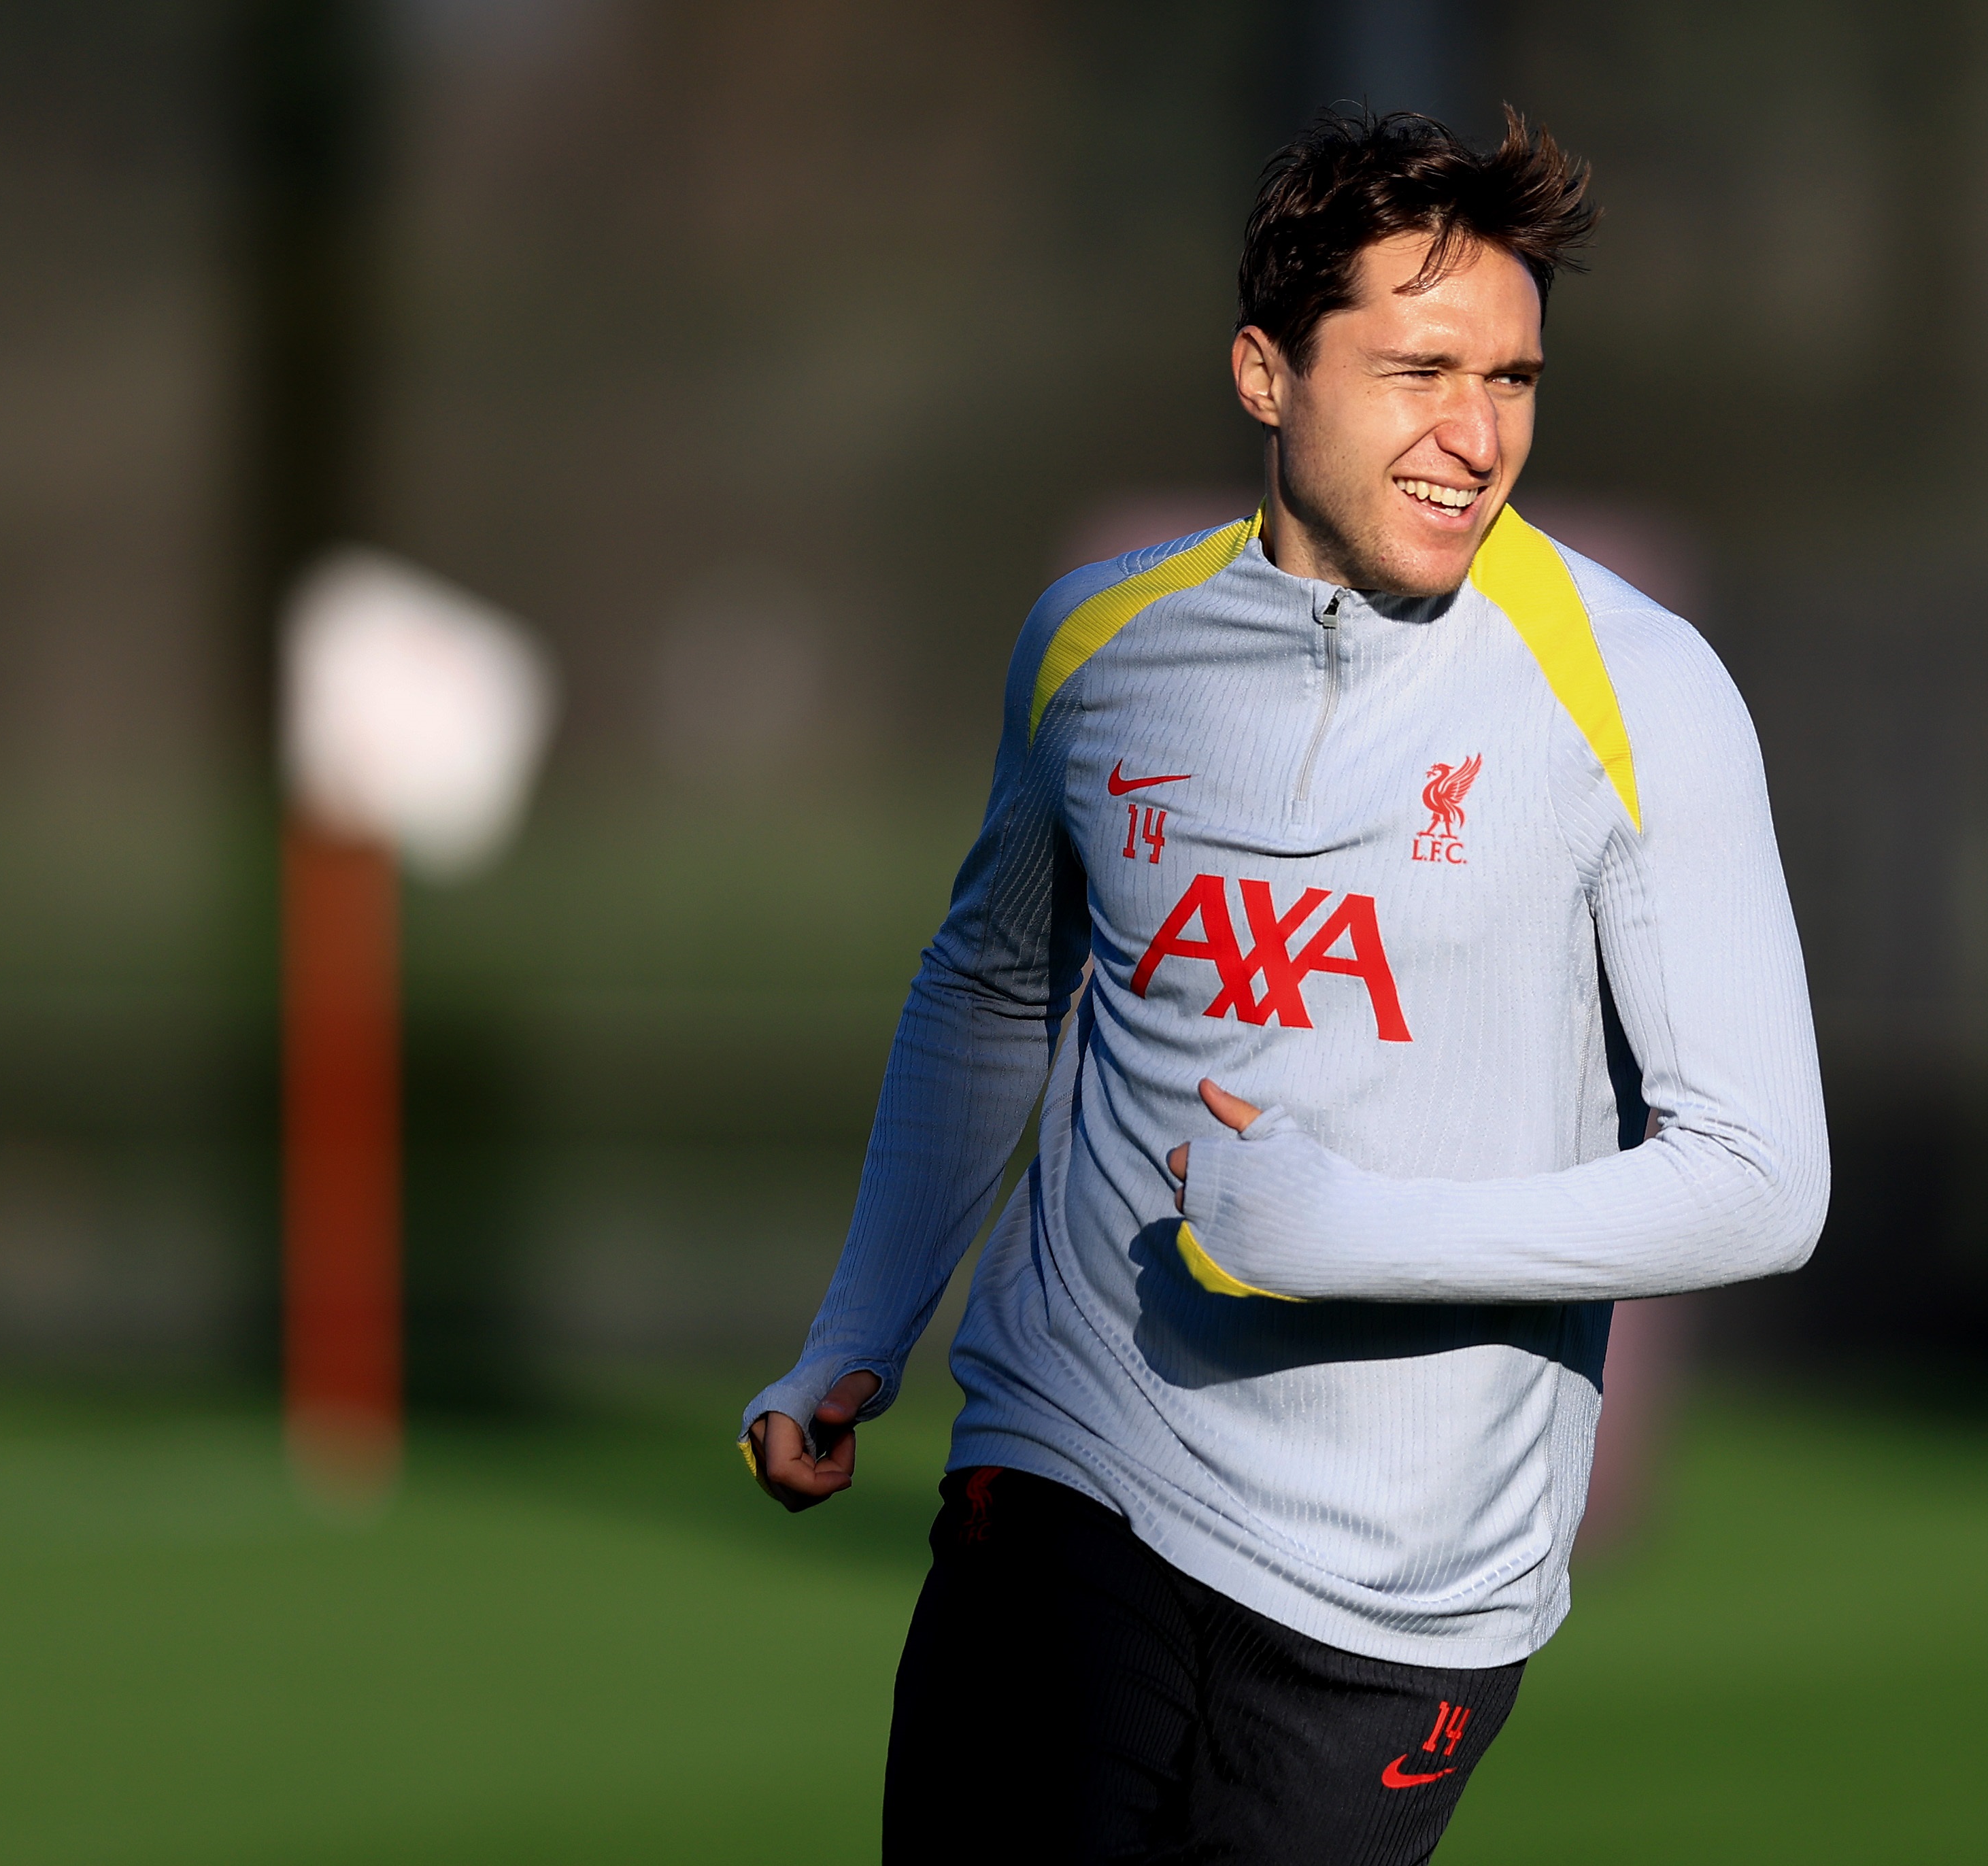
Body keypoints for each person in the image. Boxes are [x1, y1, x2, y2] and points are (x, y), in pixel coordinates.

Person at [741, 105, 1827, 1864]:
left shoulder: (1640, 689)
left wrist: (1341, 1231)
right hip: (1066, 1458)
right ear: (1265, 373)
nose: (1473, 438)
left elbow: (1760, 1183)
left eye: (1513, 381)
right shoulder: (1094, 644)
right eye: (1416, 371)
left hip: (1397, 1587)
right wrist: (861, 1331)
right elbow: (990, 989)